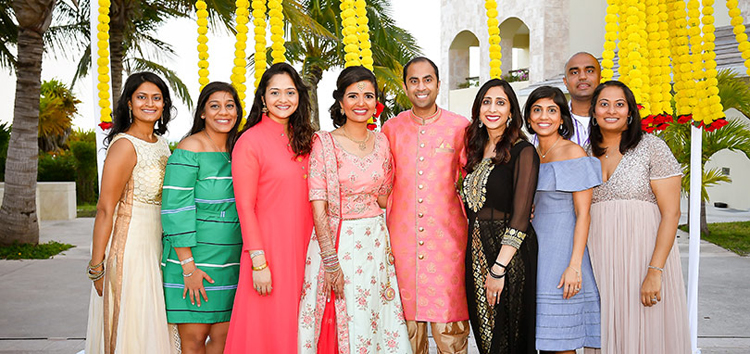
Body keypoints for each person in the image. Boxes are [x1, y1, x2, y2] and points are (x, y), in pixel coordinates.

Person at [298, 66, 411, 354]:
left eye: (368, 96)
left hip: (375, 242)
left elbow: (386, 197)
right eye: (353, 96)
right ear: (340, 102)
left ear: (377, 102)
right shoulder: (324, 143)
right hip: (338, 240)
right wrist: (331, 261)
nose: (361, 103)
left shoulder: (383, 142)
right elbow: (318, 205)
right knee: (345, 315)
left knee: (376, 314)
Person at [587, 80, 690, 353]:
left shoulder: (652, 147)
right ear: (594, 112)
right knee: (605, 329)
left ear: (630, 112)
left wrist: (655, 271)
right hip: (600, 259)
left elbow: (672, 213)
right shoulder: (585, 153)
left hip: (644, 256)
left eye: (619, 104)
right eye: (604, 104)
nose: (612, 110)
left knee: (645, 328)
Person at [381, 56, 471, 353]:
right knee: (406, 334)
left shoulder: (460, 128)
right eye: (414, 80)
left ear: (438, 84)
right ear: (406, 86)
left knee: (451, 330)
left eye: (427, 80)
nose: (421, 87)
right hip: (401, 245)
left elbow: (477, 178)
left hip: (447, 244)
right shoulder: (391, 129)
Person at [224, 63, 316, 353]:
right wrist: (258, 262)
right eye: (275, 92)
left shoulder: (308, 139)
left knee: (302, 329)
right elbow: (245, 207)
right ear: (262, 97)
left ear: (300, 96)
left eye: (290, 92)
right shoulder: (249, 141)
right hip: (269, 256)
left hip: (307, 252)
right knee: (269, 332)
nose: (283, 99)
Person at [85, 72, 177, 353]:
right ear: (128, 103)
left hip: (158, 245)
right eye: (141, 97)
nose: (149, 103)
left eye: (156, 98)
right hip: (131, 249)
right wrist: (96, 266)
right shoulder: (124, 145)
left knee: (156, 323)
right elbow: (105, 209)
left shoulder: (161, 143)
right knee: (135, 321)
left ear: (164, 105)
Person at [161, 82, 243, 354]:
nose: (224, 112)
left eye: (229, 105)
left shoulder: (239, 148)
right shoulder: (190, 148)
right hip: (195, 260)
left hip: (232, 261)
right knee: (194, 341)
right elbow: (175, 210)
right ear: (203, 113)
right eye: (215, 106)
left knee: (223, 341)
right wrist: (189, 268)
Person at [461, 79, 539, 354]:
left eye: (500, 102)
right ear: (478, 110)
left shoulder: (523, 151)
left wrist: (499, 269)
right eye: (486, 102)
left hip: (509, 255)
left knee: (509, 337)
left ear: (511, 112)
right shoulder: (474, 150)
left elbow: (520, 217)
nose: (492, 109)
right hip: (476, 251)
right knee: (485, 336)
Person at [524, 86, 601, 353]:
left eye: (552, 110)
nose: (544, 116)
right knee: (540, 339)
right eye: (537, 110)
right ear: (529, 117)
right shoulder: (529, 154)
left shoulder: (574, 153)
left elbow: (583, 214)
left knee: (562, 342)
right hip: (533, 255)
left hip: (562, 256)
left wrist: (575, 266)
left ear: (562, 117)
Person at [530, 52, 601, 147]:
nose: (582, 77)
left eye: (589, 71)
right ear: (565, 82)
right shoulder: (549, 122)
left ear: (600, 78)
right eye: (574, 72)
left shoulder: (614, 119)